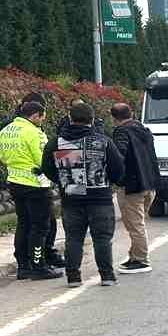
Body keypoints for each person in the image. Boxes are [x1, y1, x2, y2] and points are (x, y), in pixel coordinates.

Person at [41, 102, 126, 287]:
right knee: (102, 238)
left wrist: (63, 180)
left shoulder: (56, 143)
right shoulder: (103, 142)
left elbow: (47, 168)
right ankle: (107, 276)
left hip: (71, 197)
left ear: (70, 119)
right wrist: (108, 182)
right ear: (92, 120)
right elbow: (118, 169)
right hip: (100, 198)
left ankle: (73, 277)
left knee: (73, 238)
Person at [0, 100, 60, 279]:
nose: (42, 121)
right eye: (42, 118)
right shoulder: (34, 133)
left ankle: (23, 266)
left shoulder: (5, 131)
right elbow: (44, 160)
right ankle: (39, 266)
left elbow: (2, 157)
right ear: (34, 116)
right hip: (36, 184)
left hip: (15, 182)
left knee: (23, 224)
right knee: (40, 227)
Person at [109, 102, 159, 274]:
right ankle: (134, 255)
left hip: (132, 186)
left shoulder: (122, 132)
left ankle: (141, 260)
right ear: (132, 113)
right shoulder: (144, 130)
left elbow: (119, 156)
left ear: (114, 119)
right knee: (138, 222)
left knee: (135, 225)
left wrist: (115, 176)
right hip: (149, 184)